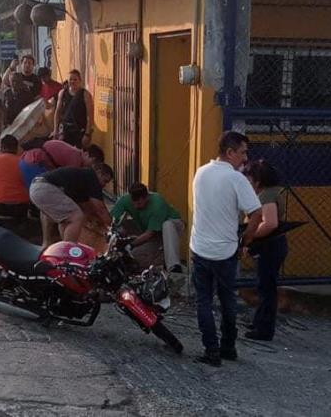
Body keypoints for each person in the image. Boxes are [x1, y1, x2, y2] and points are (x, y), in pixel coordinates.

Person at [190, 131, 262, 367]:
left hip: (199, 248)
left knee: (204, 302)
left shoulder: (200, 173)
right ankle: (228, 347)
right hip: (225, 252)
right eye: (242, 152)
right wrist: (246, 242)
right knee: (227, 300)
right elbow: (256, 213)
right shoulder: (236, 179)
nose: (245, 158)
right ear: (229, 152)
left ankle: (210, 350)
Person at [240, 159, 288, 342]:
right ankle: (259, 321)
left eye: (249, 180)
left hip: (271, 246)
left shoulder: (266, 196)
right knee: (264, 285)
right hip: (271, 246)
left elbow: (270, 223)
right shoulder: (270, 193)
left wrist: (249, 236)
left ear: (257, 180)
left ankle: (264, 329)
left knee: (267, 288)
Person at [29, 164, 113, 246]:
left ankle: (49, 245)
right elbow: (100, 209)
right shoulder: (92, 177)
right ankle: (69, 252)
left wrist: (96, 221)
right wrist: (113, 226)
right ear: (99, 172)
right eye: (105, 181)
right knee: (76, 216)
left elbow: (85, 207)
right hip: (46, 188)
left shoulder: (81, 178)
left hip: (36, 187)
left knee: (66, 219)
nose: (104, 185)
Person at [111, 183, 184, 272]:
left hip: (173, 227)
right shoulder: (125, 200)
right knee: (133, 257)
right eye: (133, 203)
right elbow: (111, 219)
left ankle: (174, 267)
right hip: (154, 234)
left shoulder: (158, 203)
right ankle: (160, 262)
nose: (135, 206)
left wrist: (131, 244)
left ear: (147, 197)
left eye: (139, 203)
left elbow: (150, 233)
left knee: (167, 225)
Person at [19, 140, 105, 188]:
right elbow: (72, 185)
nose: (91, 167)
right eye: (93, 163)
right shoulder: (76, 159)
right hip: (34, 164)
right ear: (87, 155)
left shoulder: (75, 152)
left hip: (29, 160)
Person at [53, 69, 94, 149]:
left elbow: (90, 116)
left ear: (80, 80)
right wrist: (55, 130)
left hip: (79, 131)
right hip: (65, 131)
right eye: (70, 79)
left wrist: (87, 134)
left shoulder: (85, 95)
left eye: (75, 79)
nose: (72, 82)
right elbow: (57, 112)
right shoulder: (62, 93)